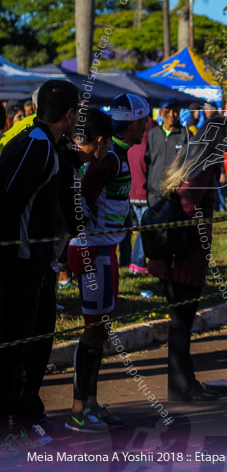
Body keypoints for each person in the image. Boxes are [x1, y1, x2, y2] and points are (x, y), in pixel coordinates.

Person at [22, 108, 113, 446]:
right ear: (100, 142)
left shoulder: (66, 158)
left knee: (41, 340)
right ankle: (21, 422)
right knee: (28, 344)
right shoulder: (60, 160)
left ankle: (33, 414)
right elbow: (69, 216)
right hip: (31, 261)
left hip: (46, 260)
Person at [0, 80, 79, 447]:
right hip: (18, 263)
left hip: (33, 263)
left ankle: (22, 417)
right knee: (12, 348)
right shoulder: (36, 146)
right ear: (68, 114)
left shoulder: (46, 142)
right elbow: (8, 199)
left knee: (28, 342)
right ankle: (8, 430)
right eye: (77, 112)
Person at [66, 94, 150, 433]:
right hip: (94, 250)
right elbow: (80, 195)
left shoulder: (115, 152)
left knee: (99, 331)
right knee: (93, 332)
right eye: (144, 122)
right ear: (133, 124)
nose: (147, 127)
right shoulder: (109, 157)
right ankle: (78, 410)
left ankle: (91, 405)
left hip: (104, 249)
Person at [149, 116, 227, 402]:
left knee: (180, 324)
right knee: (182, 325)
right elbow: (188, 202)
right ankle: (182, 386)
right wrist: (200, 234)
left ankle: (185, 383)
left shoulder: (190, 158)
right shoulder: (202, 169)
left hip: (177, 256)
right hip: (185, 258)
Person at [126, 117, 159, 274]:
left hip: (130, 193)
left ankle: (133, 261)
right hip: (144, 194)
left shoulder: (132, 146)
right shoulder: (148, 146)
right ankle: (137, 262)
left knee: (139, 229)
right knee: (144, 230)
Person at [145, 99, 189, 207]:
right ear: (160, 113)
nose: (171, 114)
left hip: (176, 194)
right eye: (167, 111)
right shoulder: (152, 134)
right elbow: (147, 161)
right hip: (154, 194)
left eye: (175, 111)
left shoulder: (185, 135)